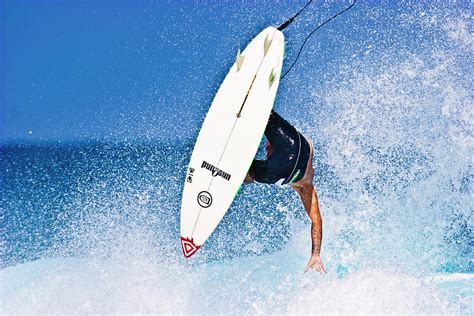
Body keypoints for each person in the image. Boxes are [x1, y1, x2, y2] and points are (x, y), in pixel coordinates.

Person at [244, 110, 325, 273]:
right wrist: (315, 254)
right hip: (288, 163)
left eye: (268, 148)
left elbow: (317, 221)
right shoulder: (305, 186)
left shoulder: (306, 186)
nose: (266, 152)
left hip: (295, 146)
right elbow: (316, 220)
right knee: (248, 175)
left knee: (265, 115)